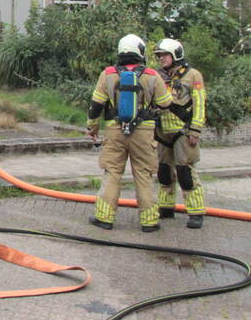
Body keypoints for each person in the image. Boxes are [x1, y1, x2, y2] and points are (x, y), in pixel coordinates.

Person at [87, 34, 174, 232]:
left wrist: (92, 128)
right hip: (143, 132)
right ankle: (149, 222)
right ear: (140, 52)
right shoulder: (152, 75)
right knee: (144, 175)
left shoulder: (108, 74)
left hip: (114, 131)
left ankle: (104, 218)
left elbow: (96, 105)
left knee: (112, 173)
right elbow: (166, 103)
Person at [153, 38, 207, 229]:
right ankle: (166, 207)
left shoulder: (193, 75)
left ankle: (196, 212)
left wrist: (196, 129)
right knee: (164, 172)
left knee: (185, 171)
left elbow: (199, 104)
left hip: (184, 131)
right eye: (159, 56)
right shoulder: (158, 76)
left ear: (176, 54)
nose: (161, 59)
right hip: (162, 132)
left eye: (164, 55)